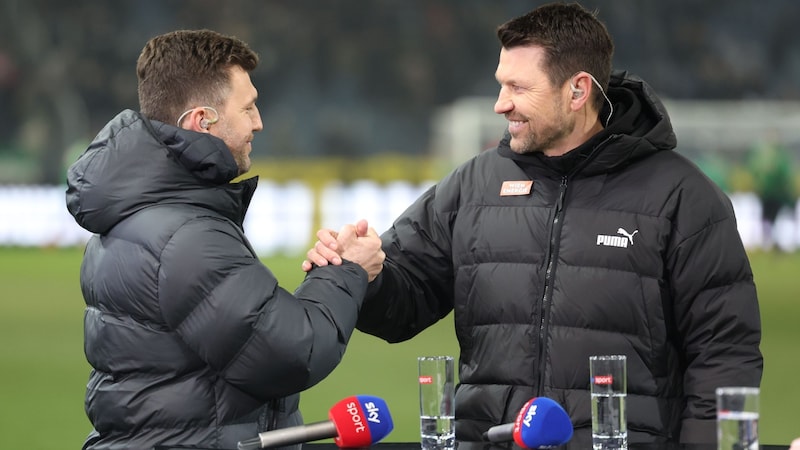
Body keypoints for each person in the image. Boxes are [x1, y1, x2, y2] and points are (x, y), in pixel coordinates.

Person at [303, 3, 762, 448]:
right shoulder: (474, 183)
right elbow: (405, 303)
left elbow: (724, 356)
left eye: (519, 88)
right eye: (501, 85)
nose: (501, 104)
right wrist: (364, 273)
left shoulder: (682, 196)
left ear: (578, 91)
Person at [65, 29, 383, 450]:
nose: (259, 122)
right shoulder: (185, 236)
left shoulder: (145, 213)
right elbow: (290, 352)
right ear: (202, 121)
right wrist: (347, 272)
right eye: (248, 108)